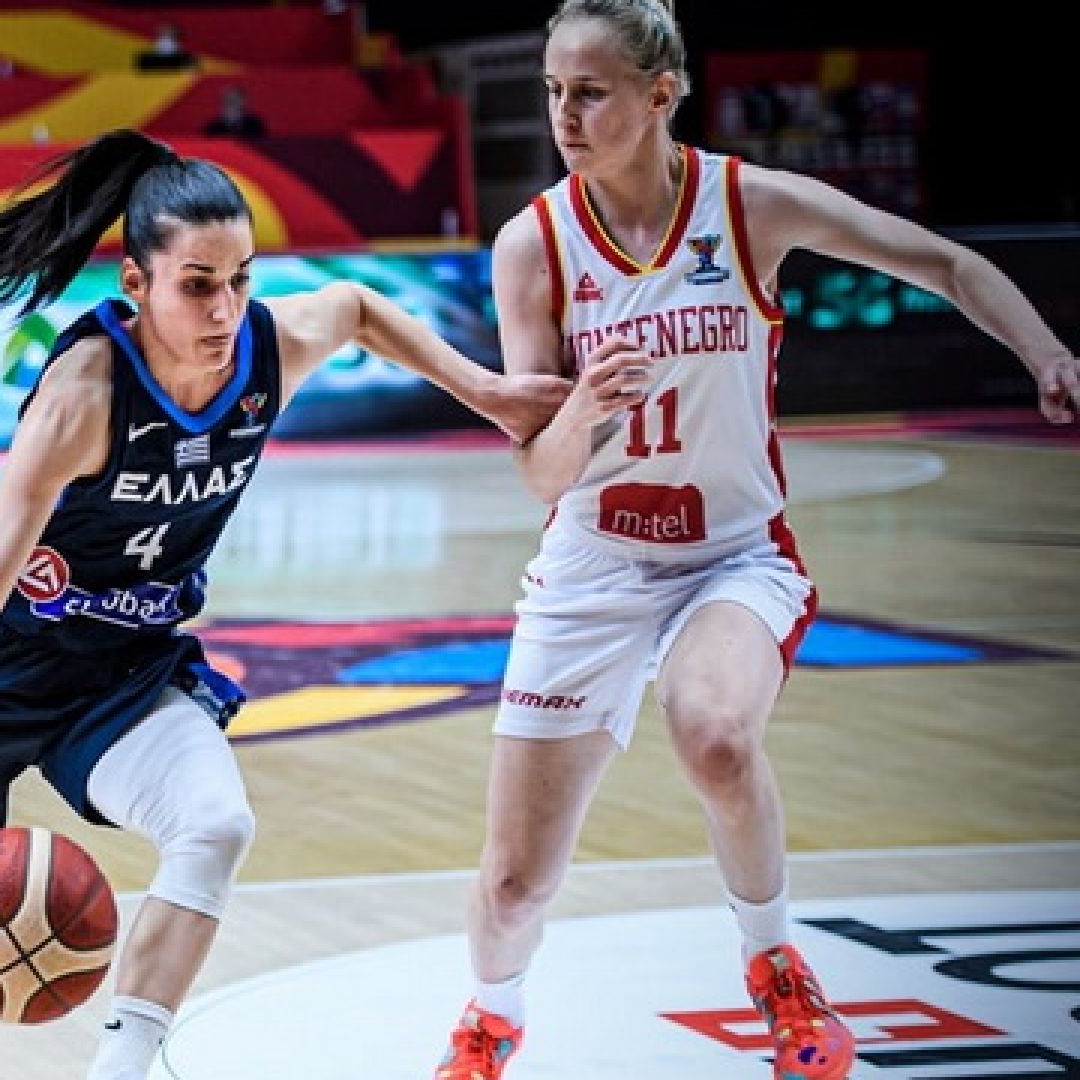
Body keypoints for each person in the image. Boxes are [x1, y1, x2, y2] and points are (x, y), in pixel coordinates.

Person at [0, 127, 570, 1080]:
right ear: (136, 284)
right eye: (197, 284)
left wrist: (485, 391)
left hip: (121, 667)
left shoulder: (266, 352)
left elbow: (357, 306)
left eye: (241, 280)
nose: (226, 307)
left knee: (216, 827)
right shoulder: (82, 396)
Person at [433, 2, 1080, 1079]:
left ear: (661, 94)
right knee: (512, 887)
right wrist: (583, 409)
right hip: (593, 562)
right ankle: (490, 1020)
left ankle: (776, 963)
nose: (564, 116)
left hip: (732, 555)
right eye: (553, 92)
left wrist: (1047, 352)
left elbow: (943, 263)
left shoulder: (746, 205)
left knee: (717, 734)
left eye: (589, 91)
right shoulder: (533, 246)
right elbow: (541, 476)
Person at [202, 85, 267, 140]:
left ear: (244, 102)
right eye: (227, 100)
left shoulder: (255, 125)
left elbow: (261, 145)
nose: (230, 104)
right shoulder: (212, 127)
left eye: (235, 100)